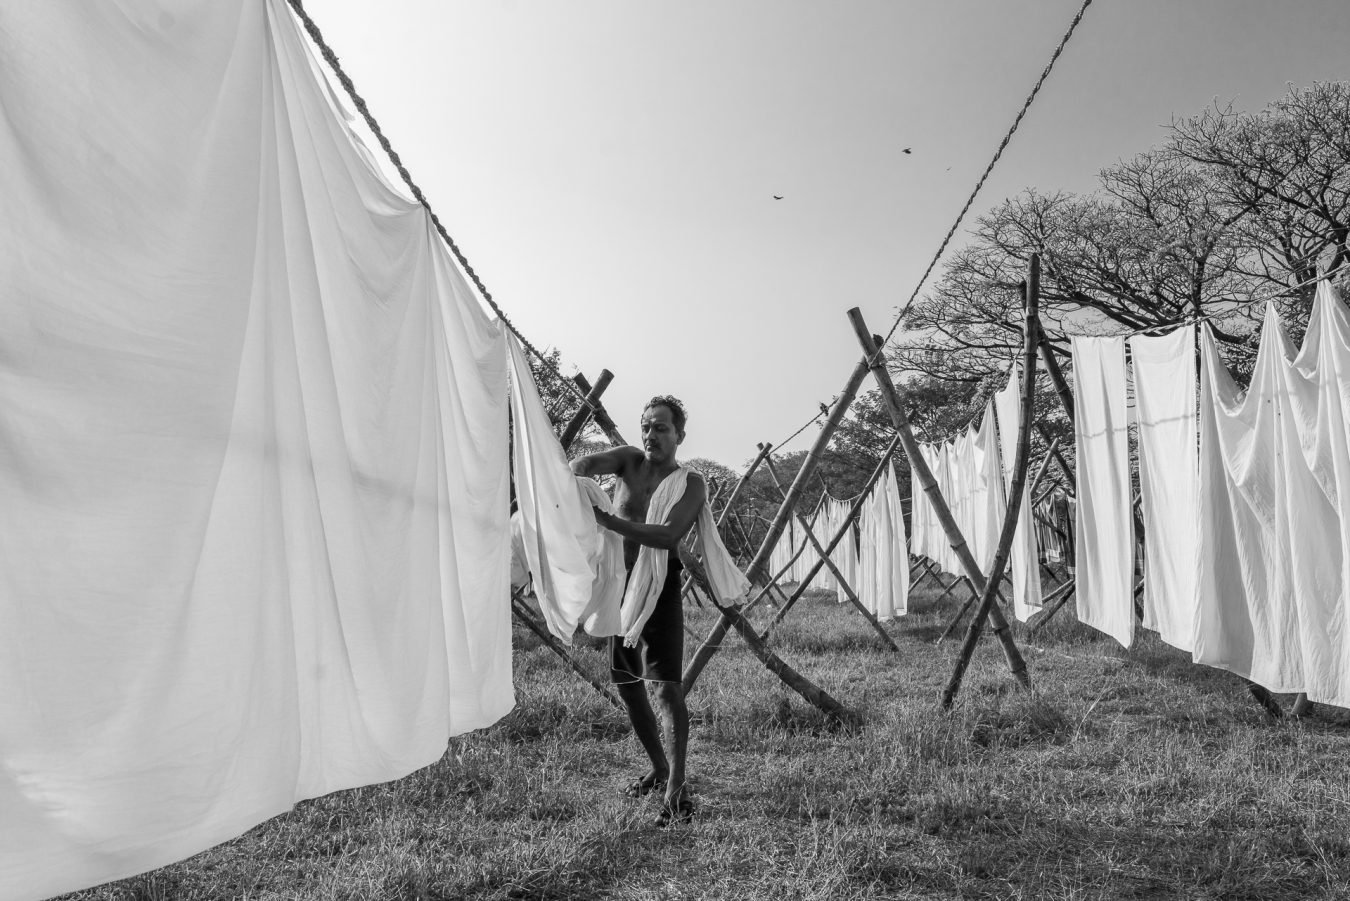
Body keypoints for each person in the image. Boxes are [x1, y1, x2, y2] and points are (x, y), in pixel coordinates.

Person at [570, 395, 704, 826]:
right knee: (627, 684)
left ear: (680, 435)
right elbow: (584, 465)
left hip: (659, 586)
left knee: (665, 688)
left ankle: (677, 789)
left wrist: (608, 521)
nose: (650, 435)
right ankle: (659, 768)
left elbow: (667, 536)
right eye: (646, 426)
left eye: (661, 427)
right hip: (618, 585)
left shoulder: (690, 483)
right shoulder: (628, 461)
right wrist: (576, 478)